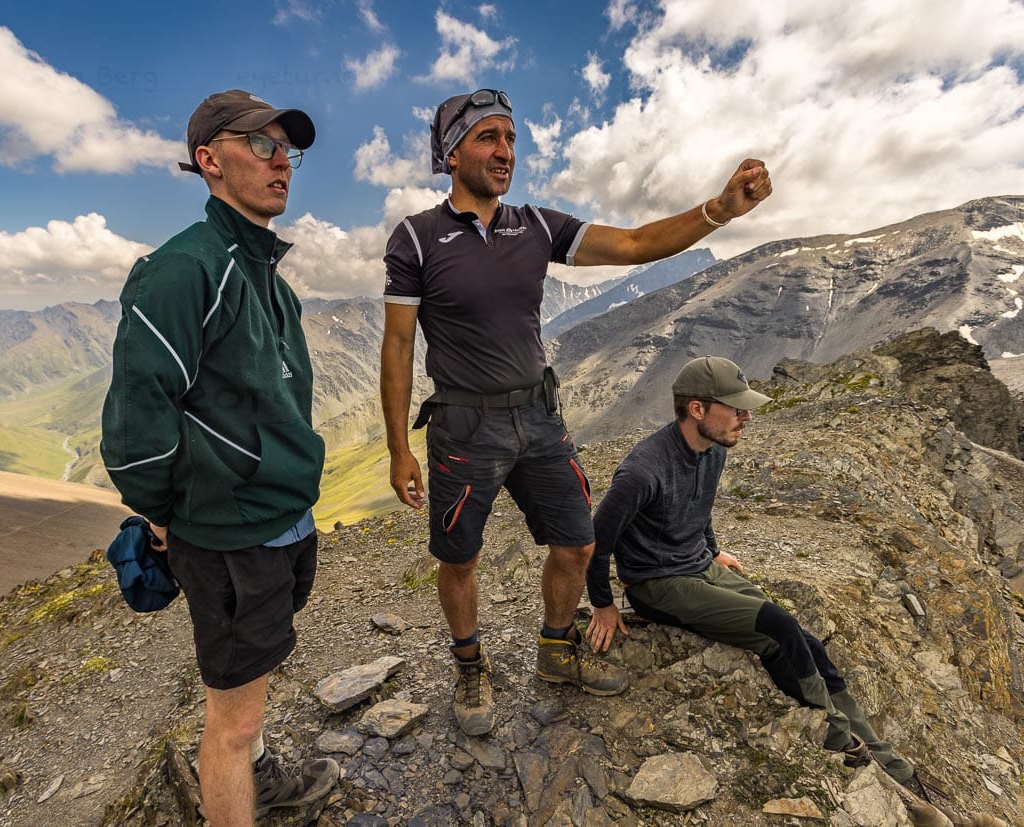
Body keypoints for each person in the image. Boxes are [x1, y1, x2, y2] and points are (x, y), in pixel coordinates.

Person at [380, 88, 773, 736]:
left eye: (510, 136)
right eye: (488, 137)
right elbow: (397, 346)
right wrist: (398, 447)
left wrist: (719, 210)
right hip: (463, 427)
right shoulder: (417, 238)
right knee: (460, 558)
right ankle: (469, 663)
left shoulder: (535, 226)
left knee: (578, 542)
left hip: (539, 417)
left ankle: (556, 649)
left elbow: (636, 242)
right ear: (451, 153)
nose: (505, 150)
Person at [101, 89, 338, 825]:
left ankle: (259, 770)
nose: (281, 163)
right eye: (260, 145)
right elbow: (137, 428)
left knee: (248, 684)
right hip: (231, 535)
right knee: (230, 724)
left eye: (287, 150)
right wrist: (172, 516)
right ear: (209, 159)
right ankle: (243, 776)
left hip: (282, 522)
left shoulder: (267, 277)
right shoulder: (182, 272)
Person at [586, 356, 919, 788]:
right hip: (657, 583)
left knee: (807, 641)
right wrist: (603, 604)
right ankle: (839, 737)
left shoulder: (711, 451)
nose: (746, 417)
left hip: (699, 565)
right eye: (736, 408)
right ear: (697, 409)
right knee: (779, 628)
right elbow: (595, 541)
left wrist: (713, 549)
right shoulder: (642, 470)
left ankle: (888, 760)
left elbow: (698, 507)